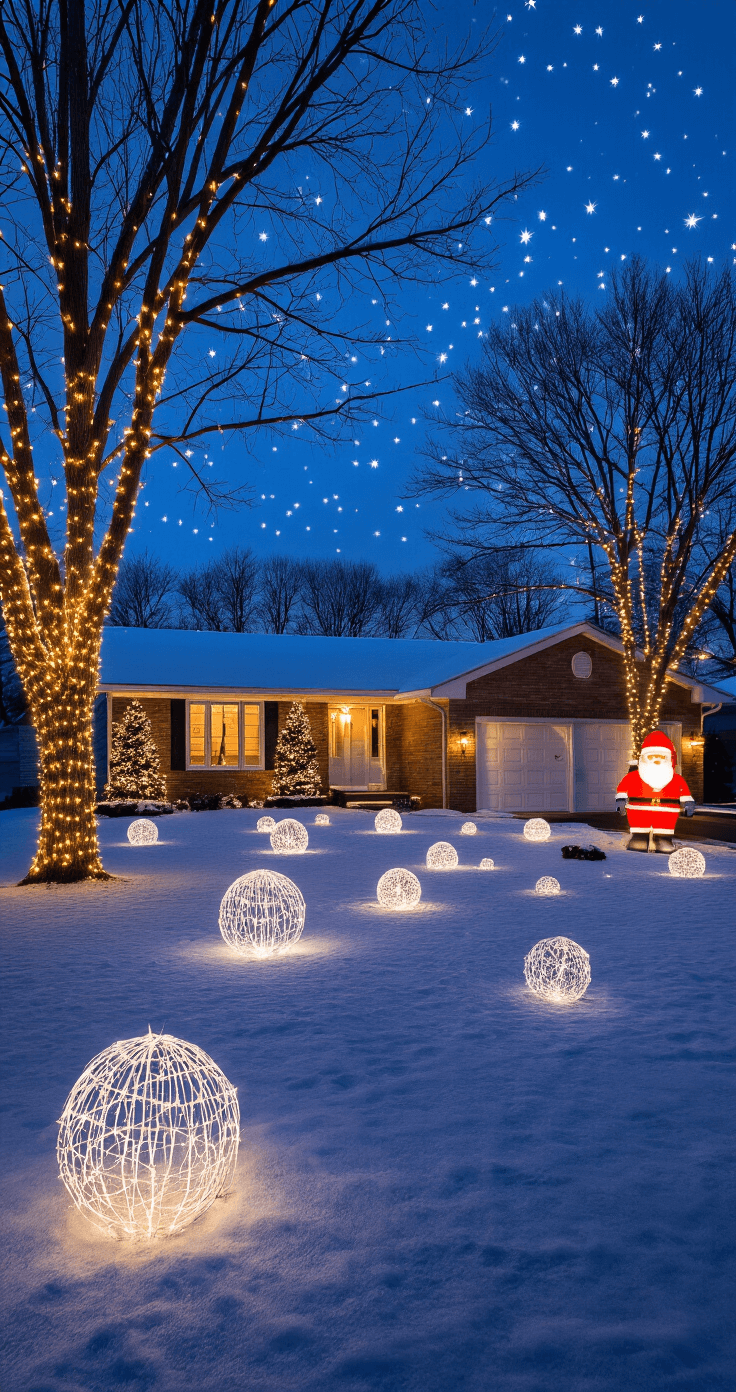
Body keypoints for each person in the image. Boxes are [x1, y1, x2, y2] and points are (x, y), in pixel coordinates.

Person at [615, 730, 695, 852]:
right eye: (652, 756)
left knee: (664, 836)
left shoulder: (676, 779)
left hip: (666, 815)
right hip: (639, 813)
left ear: (668, 758)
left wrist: (688, 803)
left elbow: (684, 793)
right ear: (644, 758)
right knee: (639, 838)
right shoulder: (633, 776)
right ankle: (639, 840)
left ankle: (664, 842)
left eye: (662, 757)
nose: (656, 760)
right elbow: (623, 788)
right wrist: (621, 800)